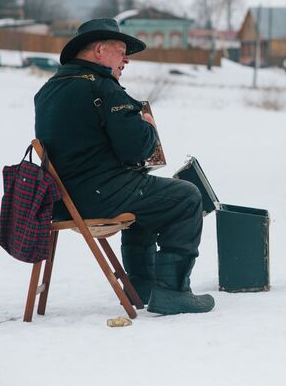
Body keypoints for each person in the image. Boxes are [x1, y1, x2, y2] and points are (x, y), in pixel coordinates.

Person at [34, 18, 214, 315]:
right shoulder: (104, 89)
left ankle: (141, 286)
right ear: (100, 50)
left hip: (63, 200)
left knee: (147, 197)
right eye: (121, 51)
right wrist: (148, 127)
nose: (126, 58)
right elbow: (136, 149)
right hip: (98, 195)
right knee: (186, 196)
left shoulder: (49, 90)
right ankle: (172, 291)